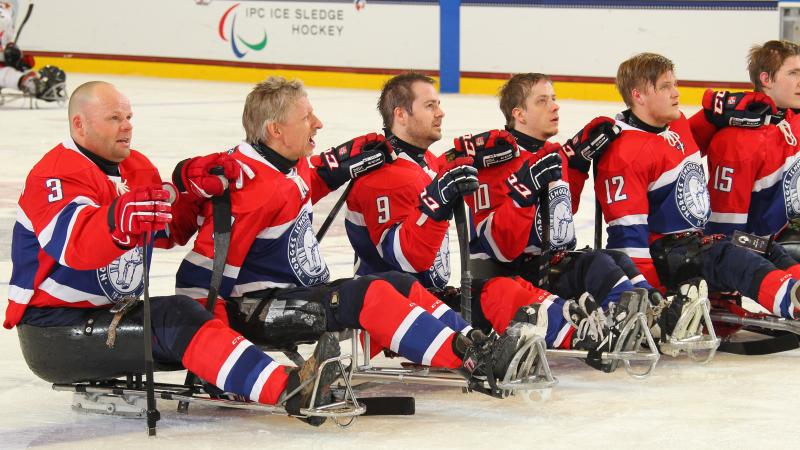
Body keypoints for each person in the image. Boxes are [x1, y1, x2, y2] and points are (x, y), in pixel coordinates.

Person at [6, 80, 344, 426]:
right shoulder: (55, 175)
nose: (127, 126)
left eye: (129, 116)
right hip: (54, 332)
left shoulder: (135, 168)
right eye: (114, 118)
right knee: (175, 316)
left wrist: (192, 186)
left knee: (178, 317)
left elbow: (169, 230)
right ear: (80, 125)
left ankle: (271, 381)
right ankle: (289, 390)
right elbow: (75, 245)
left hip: (111, 314)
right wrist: (116, 220)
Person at [173, 76, 527, 397]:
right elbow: (199, 280)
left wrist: (334, 169)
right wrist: (217, 356)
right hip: (255, 309)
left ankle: (473, 343)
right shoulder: (248, 189)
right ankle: (468, 360)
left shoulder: (283, 165)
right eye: (306, 117)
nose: (318, 123)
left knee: (397, 283)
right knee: (365, 293)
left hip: (288, 294)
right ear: (276, 130)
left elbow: (293, 189)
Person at [343, 72, 637, 371]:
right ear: (401, 114)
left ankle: (588, 323)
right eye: (430, 105)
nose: (441, 112)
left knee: (511, 290)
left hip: (432, 293)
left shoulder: (429, 164)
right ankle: (583, 336)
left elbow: (558, 214)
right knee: (502, 291)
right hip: (398, 306)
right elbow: (405, 259)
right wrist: (441, 200)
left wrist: (574, 162)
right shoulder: (383, 178)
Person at [595, 52, 800, 321]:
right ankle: (792, 301)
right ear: (638, 96)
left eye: (675, 84)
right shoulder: (623, 154)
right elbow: (627, 238)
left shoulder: (676, 124)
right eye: (665, 87)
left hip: (695, 243)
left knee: (764, 247)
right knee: (729, 258)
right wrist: (651, 300)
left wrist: (737, 106)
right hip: (666, 255)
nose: (676, 93)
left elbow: (711, 122)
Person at [692, 40, 800, 275]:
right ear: (766, 79)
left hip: (784, 234)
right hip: (758, 247)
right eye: (793, 73)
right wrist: (709, 116)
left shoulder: (791, 119)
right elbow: (725, 237)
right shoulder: (737, 142)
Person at [0, 2, 64, 101]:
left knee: (13, 71)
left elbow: (7, 41)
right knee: (7, 74)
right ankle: (31, 83)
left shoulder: (11, 6)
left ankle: (33, 81)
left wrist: (15, 57)